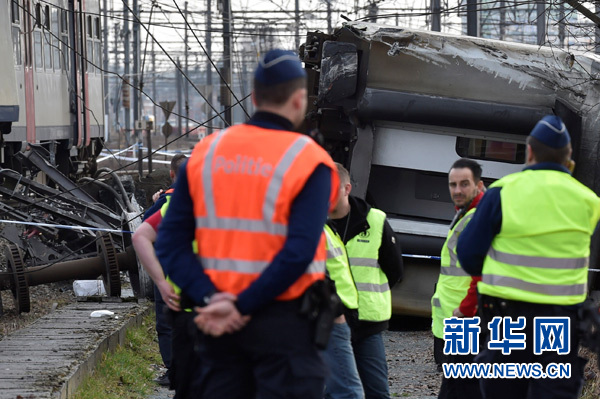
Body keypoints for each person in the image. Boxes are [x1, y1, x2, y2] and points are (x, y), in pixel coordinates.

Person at [155, 49, 340, 399]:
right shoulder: (309, 160)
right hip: (283, 329)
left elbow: (169, 243)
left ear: (254, 97)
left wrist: (212, 298)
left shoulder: (207, 152)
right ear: (300, 100)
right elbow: (298, 252)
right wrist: (241, 305)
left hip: (217, 327)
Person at [457, 115, 600, 399]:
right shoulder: (589, 201)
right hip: (559, 322)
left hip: (507, 318)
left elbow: (469, 254)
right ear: (568, 157)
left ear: (530, 151)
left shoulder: (502, 192)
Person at [329, 163, 403, 399]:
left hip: (367, 324)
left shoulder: (375, 220)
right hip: (328, 322)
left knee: (376, 392)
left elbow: (395, 270)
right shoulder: (312, 223)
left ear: (346, 188)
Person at [430, 158, 484, 399]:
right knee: (455, 385)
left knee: (462, 387)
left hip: (466, 318)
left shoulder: (477, 218)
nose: (457, 190)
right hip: (456, 316)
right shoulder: (466, 214)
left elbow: (481, 274)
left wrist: (465, 309)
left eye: (464, 184)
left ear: (478, 185)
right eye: (453, 185)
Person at [134, 153, 187, 388]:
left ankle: (172, 370)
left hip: (168, 272)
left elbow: (143, 230)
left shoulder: (168, 201)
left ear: (172, 174)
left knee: (166, 321)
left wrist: (157, 200)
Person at [321, 168, 364, 399]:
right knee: (349, 392)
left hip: (338, 315)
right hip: (329, 317)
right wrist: (335, 310)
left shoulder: (326, 226)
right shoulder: (315, 224)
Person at [143, 153, 187, 221]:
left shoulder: (167, 198)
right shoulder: (202, 195)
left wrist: (156, 203)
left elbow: (146, 222)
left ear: (171, 174)